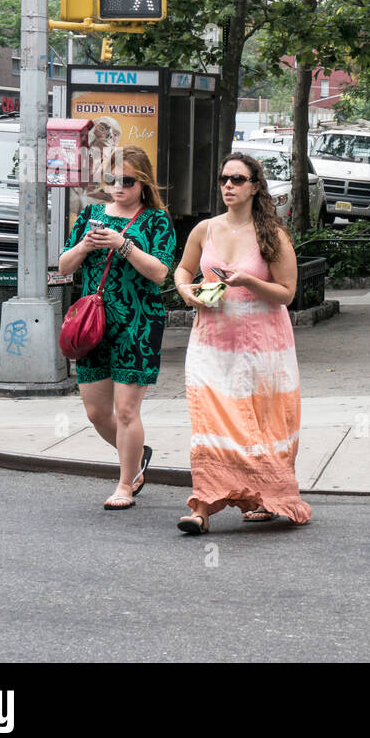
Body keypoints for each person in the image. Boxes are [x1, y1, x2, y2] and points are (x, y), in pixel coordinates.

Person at [171, 153, 312, 535]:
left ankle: (261, 498)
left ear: (254, 186)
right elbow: (183, 269)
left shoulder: (272, 235)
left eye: (237, 179)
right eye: (223, 179)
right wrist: (189, 291)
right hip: (211, 345)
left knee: (258, 426)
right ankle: (201, 506)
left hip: (262, 348)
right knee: (210, 424)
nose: (228, 186)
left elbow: (287, 293)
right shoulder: (205, 229)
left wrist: (247, 282)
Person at [58, 147, 176, 510]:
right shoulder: (91, 215)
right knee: (96, 412)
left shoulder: (156, 220)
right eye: (111, 180)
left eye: (127, 181)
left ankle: (125, 484)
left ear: (143, 184)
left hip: (138, 324)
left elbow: (160, 272)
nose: (119, 187)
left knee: (126, 411)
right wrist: (83, 246)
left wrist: (123, 245)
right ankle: (137, 455)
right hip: (94, 324)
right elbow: (63, 267)